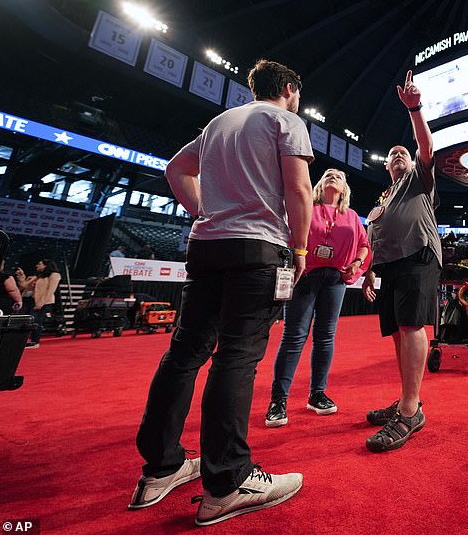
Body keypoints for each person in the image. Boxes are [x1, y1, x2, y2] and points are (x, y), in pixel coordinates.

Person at [130, 59, 314, 526]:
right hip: (257, 249)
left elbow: (175, 170)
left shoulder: (218, 123)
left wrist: (204, 212)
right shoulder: (285, 120)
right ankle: (228, 481)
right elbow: (298, 190)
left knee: (183, 353)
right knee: (236, 357)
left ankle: (161, 467)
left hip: (207, 248)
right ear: (290, 88)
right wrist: (300, 248)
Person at [361, 70, 441, 453]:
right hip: (390, 266)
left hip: (418, 254)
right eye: (392, 155)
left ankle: (410, 411)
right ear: (386, 166)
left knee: (410, 327)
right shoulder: (384, 196)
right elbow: (376, 236)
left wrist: (416, 109)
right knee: (396, 331)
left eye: (402, 154)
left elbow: (426, 147)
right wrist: (369, 274)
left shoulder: (417, 178)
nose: (397, 156)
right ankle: (408, 397)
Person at [266, 168, 370, 427]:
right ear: (320, 184)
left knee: (325, 337)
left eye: (338, 175)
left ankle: (317, 394)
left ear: (344, 189)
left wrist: (357, 262)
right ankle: (278, 401)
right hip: (304, 275)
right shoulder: (306, 207)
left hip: (336, 280)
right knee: (294, 336)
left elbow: (364, 245)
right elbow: (287, 236)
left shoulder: (353, 216)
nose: (332, 176)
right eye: (328, 174)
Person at [16, 259, 60, 348]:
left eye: (39, 264)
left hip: (41, 301)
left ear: (46, 265)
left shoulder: (54, 275)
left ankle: (35, 341)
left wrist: (40, 303)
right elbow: (23, 286)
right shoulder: (37, 275)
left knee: (37, 321)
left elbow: (50, 291)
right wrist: (21, 276)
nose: (37, 265)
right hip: (28, 300)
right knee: (23, 319)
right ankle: (21, 340)